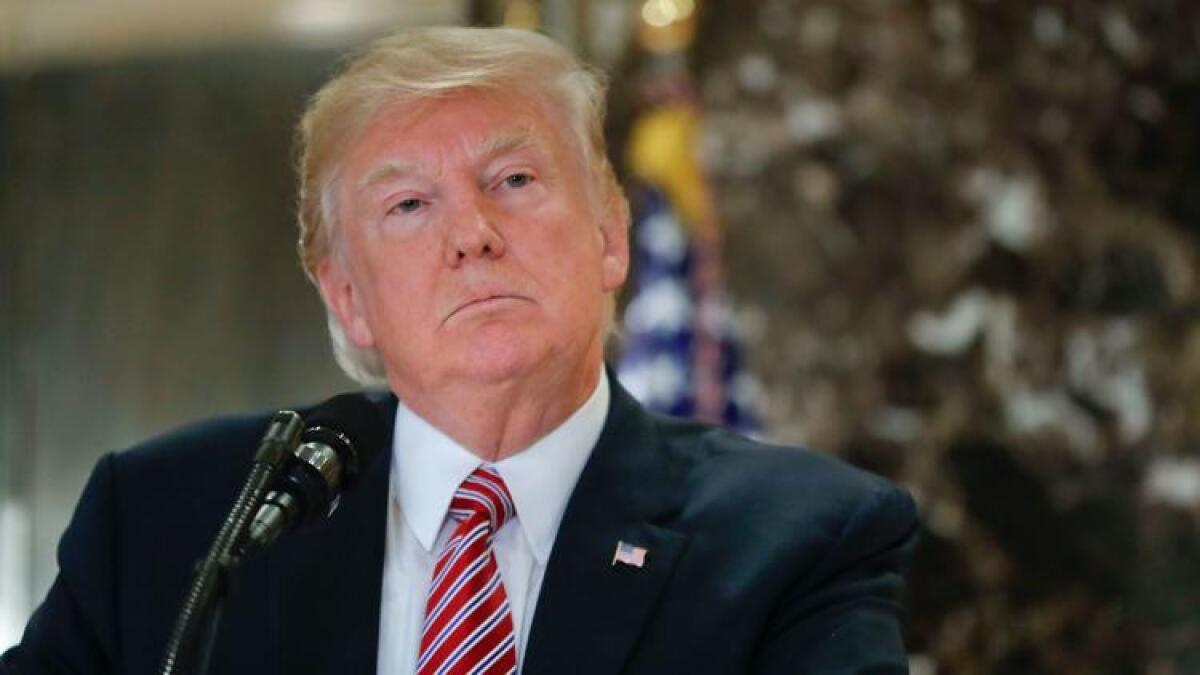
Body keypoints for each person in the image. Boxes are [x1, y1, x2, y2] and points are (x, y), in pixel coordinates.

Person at [2, 26, 918, 674]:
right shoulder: (174, 521)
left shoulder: (798, 543)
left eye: (513, 179)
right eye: (408, 204)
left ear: (610, 234)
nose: (472, 234)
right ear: (349, 297)